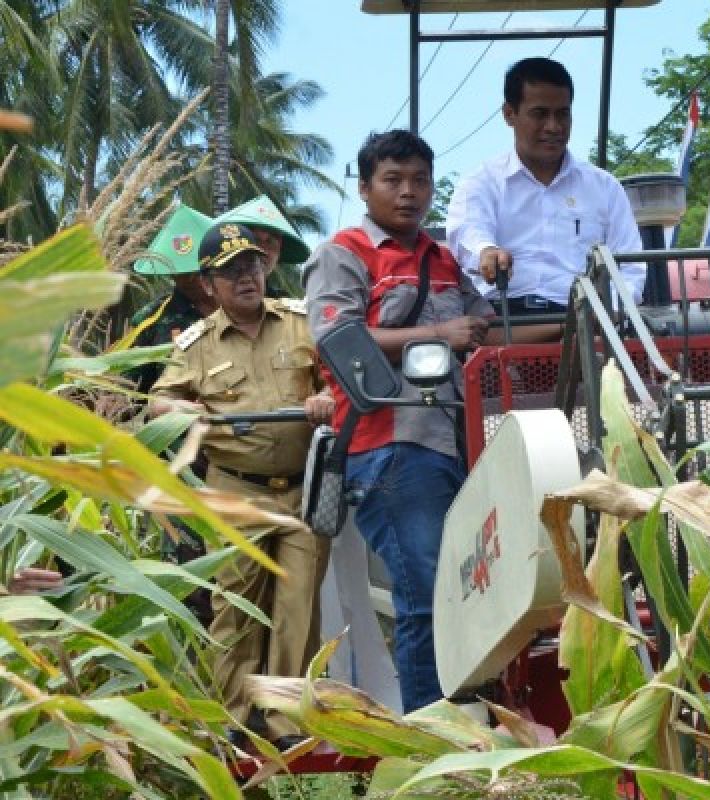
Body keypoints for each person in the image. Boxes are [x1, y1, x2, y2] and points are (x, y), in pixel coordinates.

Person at [303, 129, 493, 712]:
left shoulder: (444, 259)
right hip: (388, 446)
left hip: (456, 443)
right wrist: (441, 334)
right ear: (364, 188)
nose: (408, 192)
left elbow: (482, 321)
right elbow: (337, 337)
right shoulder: (343, 253)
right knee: (427, 594)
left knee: (470, 590)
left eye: (420, 180)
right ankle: (430, 744)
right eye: (392, 180)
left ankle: (471, 726)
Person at [149, 222, 333, 749]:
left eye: (251, 264)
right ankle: (230, 726)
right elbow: (158, 401)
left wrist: (325, 397)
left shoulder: (301, 322)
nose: (245, 277)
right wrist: (180, 407)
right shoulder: (195, 344)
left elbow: (338, 378)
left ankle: (288, 729)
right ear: (209, 283)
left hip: (303, 488)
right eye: (230, 271)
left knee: (299, 611)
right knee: (235, 611)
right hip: (234, 491)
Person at [446, 56, 645, 330]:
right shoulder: (481, 183)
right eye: (540, 114)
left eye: (562, 114)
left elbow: (630, 269)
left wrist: (608, 313)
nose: (553, 127)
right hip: (503, 322)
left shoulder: (605, 187)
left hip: (585, 322)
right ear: (509, 114)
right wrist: (486, 252)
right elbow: (468, 234)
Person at [128, 205, 218, 394]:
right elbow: (129, 389)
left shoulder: (247, 305)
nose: (190, 278)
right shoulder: (151, 318)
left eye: (196, 270)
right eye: (181, 271)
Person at [216, 194, 311, 296]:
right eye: (255, 240)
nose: (262, 250)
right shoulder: (206, 302)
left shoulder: (285, 305)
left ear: (279, 251)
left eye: (270, 242)